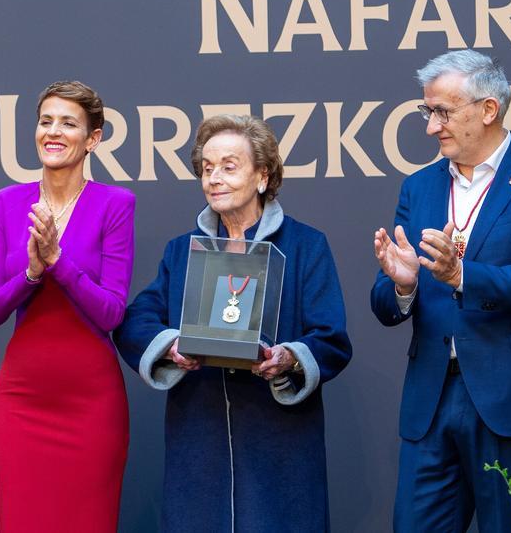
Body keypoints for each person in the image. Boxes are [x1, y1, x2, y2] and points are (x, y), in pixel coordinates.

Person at [371, 50, 511, 532]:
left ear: (488, 110)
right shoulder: (419, 186)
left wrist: (462, 275)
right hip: (430, 402)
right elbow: (386, 304)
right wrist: (403, 285)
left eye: (443, 112)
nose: (431, 127)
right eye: (428, 112)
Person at [114, 114, 352, 532]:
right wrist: (169, 346)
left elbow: (331, 339)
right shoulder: (181, 251)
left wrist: (288, 358)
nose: (214, 179)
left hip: (281, 448)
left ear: (262, 175)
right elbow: (135, 320)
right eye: (207, 169)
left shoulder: (306, 245)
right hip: (200, 446)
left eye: (228, 166)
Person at [0, 81, 136, 532]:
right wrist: (30, 274)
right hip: (22, 401)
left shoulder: (115, 205)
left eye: (69, 123)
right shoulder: (7, 203)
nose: (54, 132)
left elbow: (111, 313)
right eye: (46, 121)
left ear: (93, 139)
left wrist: (58, 263)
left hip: (90, 402)